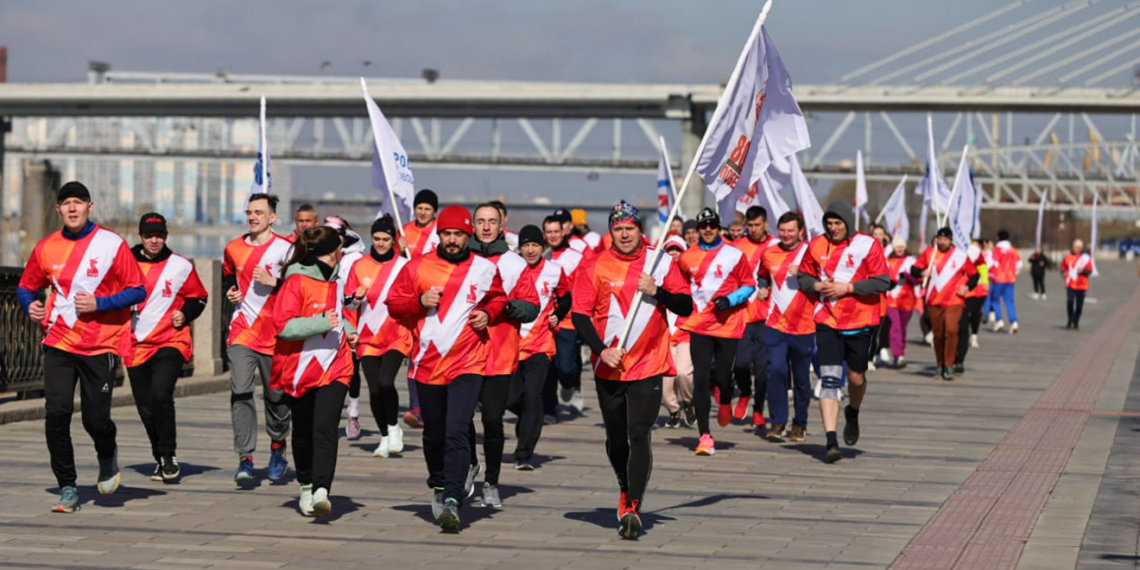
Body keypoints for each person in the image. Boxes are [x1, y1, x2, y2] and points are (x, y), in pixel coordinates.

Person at [17, 181, 146, 512]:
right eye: (66, 203)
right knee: (56, 414)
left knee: (95, 420)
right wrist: (29, 304)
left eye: (78, 202)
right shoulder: (46, 247)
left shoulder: (111, 244)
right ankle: (68, 486)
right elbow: (26, 286)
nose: (72, 208)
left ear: (90, 206)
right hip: (59, 341)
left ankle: (106, 454)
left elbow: (137, 290)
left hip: (100, 345)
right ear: (58, 210)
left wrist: (99, 303)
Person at [571, 201, 692, 539]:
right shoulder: (593, 265)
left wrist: (658, 291)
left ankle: (633, 507)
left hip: (649, 361)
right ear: (611, 231)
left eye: (630, 228)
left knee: (639, 432)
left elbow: (686, 304)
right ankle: (624, 486)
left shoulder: (661, 262)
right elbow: (580, 315)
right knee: (615, 437)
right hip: (609, 364)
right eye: (618, 228)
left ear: (640, 230)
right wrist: (600, 350)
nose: (624, 234)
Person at [386, 204, 507, 532]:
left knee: (457, 427)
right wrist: (418, 302)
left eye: (458, 234)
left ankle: (453, 498)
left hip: (469, 361)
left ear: (468, 236)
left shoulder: (483, 268)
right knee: (434, 432)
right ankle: (440, 484)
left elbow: (498, 298)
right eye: (447, 234)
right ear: (439, 234)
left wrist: (488, 314)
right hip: (427, 363)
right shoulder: (418, 267)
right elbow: (394, 304)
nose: (452, 240)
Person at [271, 226, 357, 518]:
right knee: (304, 430)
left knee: (325, 425)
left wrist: (350, 329)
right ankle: (306, 484)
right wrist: (322, 322)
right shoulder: (295, 281)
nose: (342, 253)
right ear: (332, 252)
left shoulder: (338, 280)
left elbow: (338, 314)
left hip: (336, 364)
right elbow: (282, 326)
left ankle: (322, 489)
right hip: (301, 367)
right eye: (340, 248)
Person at [797, 200, 891, 464]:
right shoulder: (816, 245)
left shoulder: (867, 245)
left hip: (861, 321)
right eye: (829, 223)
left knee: (856, 377)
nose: (833, 228)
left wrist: (847, 289)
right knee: (828, 378)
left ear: (848, 223)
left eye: (838, 223)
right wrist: (816, 284)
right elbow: (802, 277)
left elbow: (883, 281)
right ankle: (830, 440)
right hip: (827, 320)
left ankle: (853, 411)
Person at [124, 213, 209, 483]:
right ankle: (159, 457)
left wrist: (184, 313)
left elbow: (200, 298)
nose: (154, 240)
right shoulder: (124, 263)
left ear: (166, 237)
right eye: (149, 236)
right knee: (145, 407)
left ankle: (169, 455)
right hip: (135, 344)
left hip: (171, 340)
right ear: (140, 237)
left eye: (159, 236)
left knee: (161, 394)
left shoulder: (180, 266)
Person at [469, 203, 540, 509]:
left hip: (499, 354)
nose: (486, 227)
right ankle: (470, 464)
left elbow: (532, 305)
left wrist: (504, 307)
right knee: (459, 419)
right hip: (462, 354)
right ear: (473, 225)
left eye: (492, 222)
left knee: (492, 419)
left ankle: (492, 483)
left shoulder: (514, 264)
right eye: (481, 221)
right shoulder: (463, 260)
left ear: (502, 225)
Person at [223, 192, 294, 485]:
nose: (252, 217)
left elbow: (301, 287)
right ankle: (245, 457)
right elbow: (228, 275)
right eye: (249, 212)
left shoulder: (286, 249)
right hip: (242, 331)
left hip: (276, 335)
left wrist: (276, 282)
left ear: (272, 217)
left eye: (259, 213)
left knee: (276, 398)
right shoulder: (233, 248)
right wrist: (231, 290)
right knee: (240, 391)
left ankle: (278, 447)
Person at [677, 208, 756, 455]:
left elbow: (749, 285)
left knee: (722, 375)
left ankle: (724, 398)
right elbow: (679, 287)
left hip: (728, 324)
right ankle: (704, 435)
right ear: (698, 230)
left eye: (712, 225)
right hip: (699, 324)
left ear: (718, 227)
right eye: (703, 226)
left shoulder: (734, 254)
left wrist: (731, 300)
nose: (708, 230)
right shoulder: (686, 257)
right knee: (700, 377)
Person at [344, 216, 411, 458]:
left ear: (393, 240)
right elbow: (348, 305)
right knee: (373, 391)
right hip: (367, 338)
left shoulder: (404, 266)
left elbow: (413, 300)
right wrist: (356, 299)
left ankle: (393, 428)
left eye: (386, 239)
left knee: (385, 382)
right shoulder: (359, 266)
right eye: (377, 239)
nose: (381, 243)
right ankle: (385, 435)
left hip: (397, 335)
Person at [511, 225, 571, 470]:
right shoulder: (510, 269)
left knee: (533, 396)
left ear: (543, 247)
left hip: (540, 344)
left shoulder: (554, 271)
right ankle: (526, 420)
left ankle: (524, 454)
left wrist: (558, 313)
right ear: (520, 248)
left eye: (535, 245)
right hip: (511, 345)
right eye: (526, 245)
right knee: (513, 398)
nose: (531, 250)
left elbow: (567, 297)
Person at [755, 212, 814, 443]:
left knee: (801, 378)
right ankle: (778, 421)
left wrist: (802, 273)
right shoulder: (769, 252)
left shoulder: (809, 252)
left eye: (791, 230)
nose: (787, 235)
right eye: (783, 230)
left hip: (804, 325)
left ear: (800, 231)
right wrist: (762, 288)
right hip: (775, 324)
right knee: (776, 371)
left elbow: (821, 279)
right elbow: (762, 276)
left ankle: (800, 424)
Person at [730, 206, 779, 428]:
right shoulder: (738, 246)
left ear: (766, 224)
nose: (753, 229)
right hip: (741, 315)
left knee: (762, 370)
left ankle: (759, 409)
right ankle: (744, 393)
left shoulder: (775, 246)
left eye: (757, 225)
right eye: (749, 226)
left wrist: (769, 287)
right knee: (740, 364)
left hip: (766, 316)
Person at [911, 228, 979, 381]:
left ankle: (949, 365)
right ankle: (940, 364)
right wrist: (922, 274)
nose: (942, 242)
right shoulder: (930, 253)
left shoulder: (960, 256)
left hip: (955, 300)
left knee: (951, 330)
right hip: (934, 300)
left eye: (946, 239)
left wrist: (967, 287)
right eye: (940, 239)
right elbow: (914, 269)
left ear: (950, 241)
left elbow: (974, 274)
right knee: (939, 335)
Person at [322, 216, 367, 441]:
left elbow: (354, 295)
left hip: (351, 319)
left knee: (352, 369)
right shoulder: (319, 257)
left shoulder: (355, 259)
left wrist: (357, 299)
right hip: (326, 322)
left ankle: (354, 412)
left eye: (336, 235)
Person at [399, 188, 441, 429]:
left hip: (438, 300)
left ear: (434, 211)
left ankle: (433, 403)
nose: (423, 212)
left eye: (427, 209)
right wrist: (399, 247)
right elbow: (395, 265)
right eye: (420, 208)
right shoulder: (404, 232)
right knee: (414, 354)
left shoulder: (440, 232)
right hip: (412, 301)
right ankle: (416, 406)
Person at [543, 215, 586, 419]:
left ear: (564, 232)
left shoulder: (576, 257)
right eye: (548, 232)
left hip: (568, 320)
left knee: (565, 366)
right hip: (544, 322)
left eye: (556, 231)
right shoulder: (541, 256)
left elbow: (584, 288)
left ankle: (571, 383)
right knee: (547, 367)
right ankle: (549, 409)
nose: (552, 235)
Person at [659, 236, 695, 428]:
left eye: (677, 250)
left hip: (685, 332)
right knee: (666, 379)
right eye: (670, 249)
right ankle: (673, 411)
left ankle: (688, 401)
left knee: (683, 373)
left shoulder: (690, 276)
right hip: (665, 333)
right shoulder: (658, 275)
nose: (673, 253)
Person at [953, 240, 988, 372]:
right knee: (953, 327)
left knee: (966, 323)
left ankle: (960, 358)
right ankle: (950, 357)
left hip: (972, 294)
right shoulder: (952, 252)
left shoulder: (976, 254)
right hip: (953, 296)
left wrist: (984, 283)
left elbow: (982, 270)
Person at [884, 237, 918, 368]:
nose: (899, 249)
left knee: (902, 328)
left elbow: (917, 280)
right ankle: (898, 355)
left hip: (907, 300)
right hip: (891, 298)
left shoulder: (911, 261)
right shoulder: (887, 261)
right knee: (895, 327)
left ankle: (901, 352)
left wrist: (908, 276)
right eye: (897, 246)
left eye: (901, 246)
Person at [989, 230, 1022, 333]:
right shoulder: (1013, 250)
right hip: (1010, 279)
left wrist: (989, 275)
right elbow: (1019, 264)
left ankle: (999, 320)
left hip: (998, 279)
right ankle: (1014, 322)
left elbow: (992, 264)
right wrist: (1014, 273)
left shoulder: (996, 250)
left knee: (995, 300)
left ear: (998, 237)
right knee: (1009, 301)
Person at [1060, 239, 1095, 330]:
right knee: (1070, 302)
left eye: (1079, 247)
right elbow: (1063, 267)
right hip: (1070, 284)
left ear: (1081, 248)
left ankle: (1076, 321)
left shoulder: (1085, 258)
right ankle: (1070, 319)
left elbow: (1090, 271)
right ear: (1073, 246)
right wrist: (1063, 272)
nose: (1077, 248)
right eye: (1075, 246)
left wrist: (1083, 271)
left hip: (1082, 285)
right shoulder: (1067, 256)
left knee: (1079, 306)